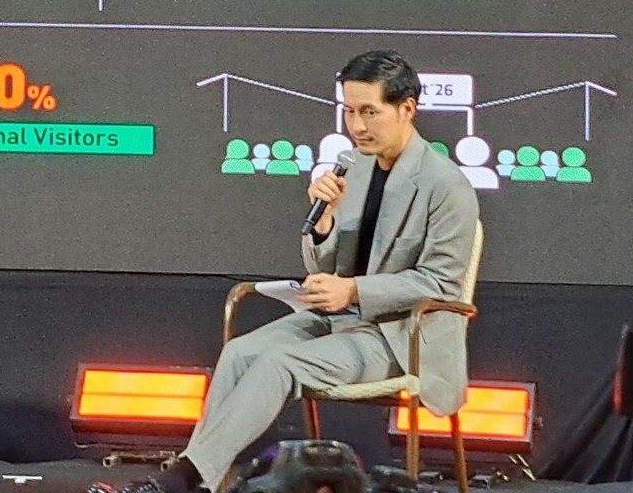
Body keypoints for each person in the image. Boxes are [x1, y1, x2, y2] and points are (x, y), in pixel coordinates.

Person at [97, 51, 480, 493]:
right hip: (341, 319)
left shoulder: (446, 185)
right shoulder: (354, 169)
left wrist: (353, 290)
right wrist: (325, 223)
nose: (357, 126)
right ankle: (203, 481)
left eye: (370, 112)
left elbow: (440, 283)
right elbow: (325, 268)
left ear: (407, 108)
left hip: (401, 337)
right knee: (240, 352)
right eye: (350, 112)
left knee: (280, 363)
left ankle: (182, 480)